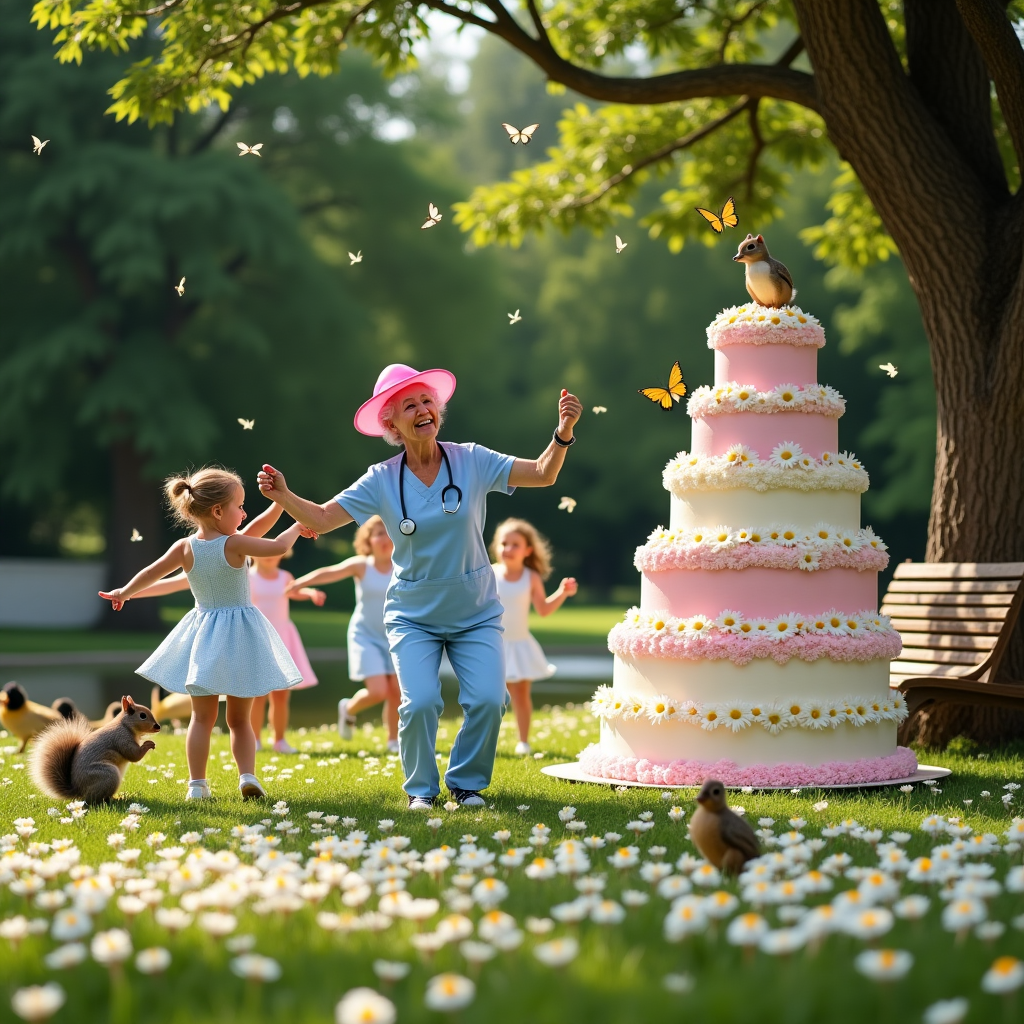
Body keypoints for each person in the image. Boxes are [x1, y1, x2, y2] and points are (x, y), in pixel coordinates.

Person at [257, 363, 581, 810]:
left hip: (475, 612)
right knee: (421, 702)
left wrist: (562, 432)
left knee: (489, 699)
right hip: (414, 615)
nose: (423, 409)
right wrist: (284, 496)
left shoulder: (472, 459)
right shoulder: (381, 479)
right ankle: (421, 791)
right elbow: (323, 519)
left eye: (428, 400)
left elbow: (544, 473)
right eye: (409, 405)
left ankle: (466, 783)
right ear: (391, 424)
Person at [98, 466, 315, 801]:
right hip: (242, 635)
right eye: (239, 507)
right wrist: (297, 528)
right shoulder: (235, 544)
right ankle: (247, 776)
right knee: (241, 720)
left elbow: (152, 573)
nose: (244, 514)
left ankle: (197, 786)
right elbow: (272, 546)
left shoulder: (186, 547)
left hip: (205, 637)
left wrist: (124, 591)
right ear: (217, 511)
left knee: (201, 719)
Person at [287, 515, 401, 753]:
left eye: (388, 532)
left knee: (397, 691)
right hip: (365, 635)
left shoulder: (403, 564)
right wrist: (299, 583)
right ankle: (348, 709)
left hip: (395, 635)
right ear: (368, 540)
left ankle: (393, 740)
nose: (384, 538)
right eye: (378, 533)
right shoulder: (362, 565)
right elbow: (329, 572)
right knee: (379, 691)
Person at [490, 518, 578, 755]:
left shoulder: (531, 577)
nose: (508, 549)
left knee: (520, 693)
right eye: (503, 543)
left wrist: (562, 592)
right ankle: (487, 741)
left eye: (515, 544)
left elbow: (543, 609)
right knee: (492, 695)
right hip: (493, 644)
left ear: (528, 550)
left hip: (519, 644)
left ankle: (523, 742)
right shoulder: (489, 573)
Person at [249, 549, 325, 754]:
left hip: (282, 637)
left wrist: (310, 593)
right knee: (258, 694)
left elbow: (295, 591)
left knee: (281, 694)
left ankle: (280, 740)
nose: (269, 555)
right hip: (258, 638)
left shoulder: (285, 577)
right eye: (264, 551)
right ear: (253, 553)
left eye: (274, 551)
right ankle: (254, 739)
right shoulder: (248, 576)